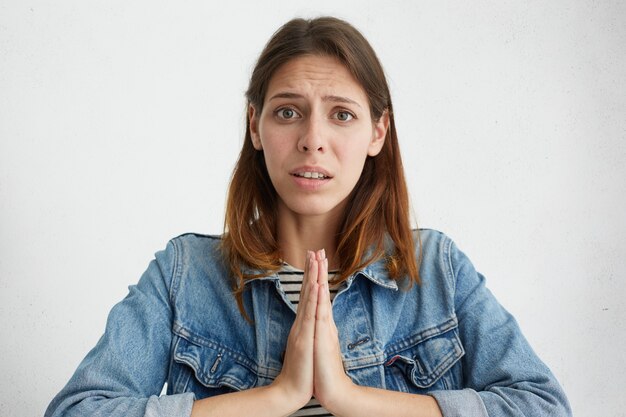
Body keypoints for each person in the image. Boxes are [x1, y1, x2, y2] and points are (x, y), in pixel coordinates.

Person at [44, 16, 572, 417]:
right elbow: (79, 410)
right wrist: (277, 397)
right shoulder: (185, 274)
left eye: (341, 115)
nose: (312, 140)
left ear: (377, 133)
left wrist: (349, 397)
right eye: (288, 111)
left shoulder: (436, 269)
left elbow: (543, 406)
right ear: (255, 126)